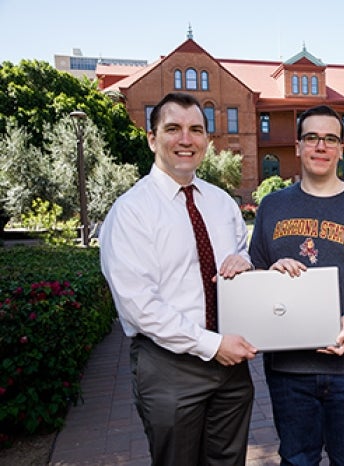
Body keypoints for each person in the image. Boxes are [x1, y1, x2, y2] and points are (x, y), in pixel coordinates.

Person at [100, 92, 257, 465]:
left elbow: (241, 253)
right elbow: (139, 307)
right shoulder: (131, 212)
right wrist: (210, 344)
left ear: (207, 140)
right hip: (169, 364)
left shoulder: (222, 203)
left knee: (229, 461)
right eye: (173, 129)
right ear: (152, 138)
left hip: (231, 364)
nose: (186, 140)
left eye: (196, 130)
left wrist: (244, 262)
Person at [248, 104, 344, 465]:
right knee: (296, 459)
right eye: (312, 137)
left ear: (340, 147)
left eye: (330, 138)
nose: (321, 146)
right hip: (289, 369)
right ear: (298, 145)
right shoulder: (272, 206)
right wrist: (272, 271)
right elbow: (254, 275)